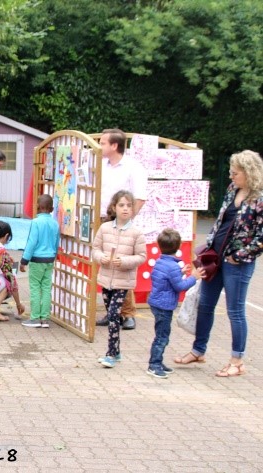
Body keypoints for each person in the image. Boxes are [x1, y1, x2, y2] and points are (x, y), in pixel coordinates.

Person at [175, 150, 263, 377]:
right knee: (205, 304)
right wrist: (208, 246)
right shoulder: (232, 190)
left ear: (249, 173)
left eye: (236, 174)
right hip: (216, 257)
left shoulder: (260, 198)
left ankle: (237, 360)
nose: (232, 177)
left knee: (235, 310)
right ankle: (198, 350)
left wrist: (240, 255)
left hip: (238, 262)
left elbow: (260, 237)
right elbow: (220, 221)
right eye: (231, 173)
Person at [96, 128, 148, 330]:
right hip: (102, 219)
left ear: (114, 145)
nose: (100, 147)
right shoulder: (101, 165)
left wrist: (125, 220)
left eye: (103, 143)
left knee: (122, 266)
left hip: (122, 222)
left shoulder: (133, 167)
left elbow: (140, 197)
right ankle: (111, 312)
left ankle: (127, 313)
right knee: (106, 265)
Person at [92, 190, 146, 368]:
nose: (125, 209)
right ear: (114, 207)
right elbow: (95, 249)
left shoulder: (136, 232)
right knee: (112, 315)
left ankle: (111, 353)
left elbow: (141, 256)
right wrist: (102, 258)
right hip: (106, 279)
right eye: (121, 205)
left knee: (114, 314)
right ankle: (117, 351)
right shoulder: (105, 228)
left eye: (129, 205)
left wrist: (123, 261)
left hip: (123, 281)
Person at [147, 228, 203, 379]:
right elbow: (179, 286)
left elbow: (169, 279)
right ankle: (154, 364)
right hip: (164, 305)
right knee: (162, 336)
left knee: (161, 334)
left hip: (156, 302)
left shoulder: (161, 262)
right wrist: (193, 277)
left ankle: (158, 361)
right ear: (178, 246)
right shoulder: (172, 266)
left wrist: (181, 273)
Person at [19, 194, 59, 328]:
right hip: (49, 259)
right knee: (47, 288)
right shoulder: (55, 223)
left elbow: (31, 242)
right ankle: (45, 318)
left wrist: (24, 260)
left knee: (35, 288)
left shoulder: (36, 222)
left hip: (37, 260)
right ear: (52, 208)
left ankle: (35, 318)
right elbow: (56, 242)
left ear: (37, 207)